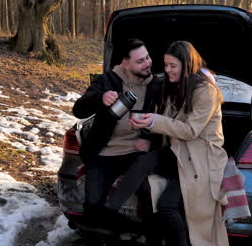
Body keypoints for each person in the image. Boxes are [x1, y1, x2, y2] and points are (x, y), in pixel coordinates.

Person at [126, 40, 229, 245]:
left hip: (201, 161)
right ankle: (149, 236)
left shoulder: (205, 91)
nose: (167, 70)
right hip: (180, 154)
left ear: (186, 64)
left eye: (172, 66)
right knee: (143, 181)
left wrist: (155, 121)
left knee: (166, 206)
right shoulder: (178, 86)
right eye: (165, 65)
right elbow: (168, 123)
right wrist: (147, 124)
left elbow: (190, 130)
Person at [72, 38, 162, 230]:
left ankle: (147, 234)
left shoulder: (157, 85)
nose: (147, 63)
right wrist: (100, 98)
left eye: (147, 57)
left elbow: (169, 121)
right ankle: (117, 231)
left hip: (137, 151)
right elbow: (79, 110)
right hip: (106, 151)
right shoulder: (107, 80)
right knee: (93, 206)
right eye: (140, 61)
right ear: (125, 63)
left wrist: (151, 142)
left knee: (149, 194)